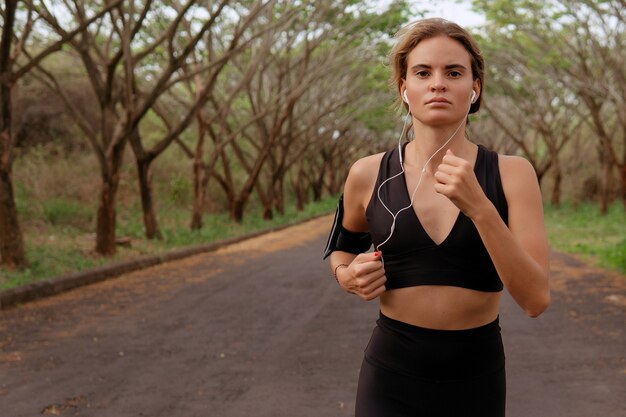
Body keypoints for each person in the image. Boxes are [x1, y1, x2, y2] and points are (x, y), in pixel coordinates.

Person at [323, 18, 550, 417]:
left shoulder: (513, 174)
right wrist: (347, 276)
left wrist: (480, 208)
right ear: (403, 88)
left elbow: (535, 300)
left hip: (476, 377)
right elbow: (342, 250)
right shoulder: (368, 173)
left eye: (454, 72)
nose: (438, 83)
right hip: (390, 375)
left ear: (474, 88)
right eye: (423, 72)